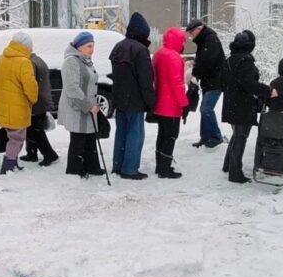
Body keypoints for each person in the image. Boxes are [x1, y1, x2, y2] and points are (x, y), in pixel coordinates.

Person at [221, 30, 273, 184]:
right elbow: (249, 84)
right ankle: (235, 172)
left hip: (231, 103)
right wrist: (268, 90)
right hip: (242, 105)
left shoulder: (230, 60)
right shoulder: (246, 61)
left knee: (237, 135)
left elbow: (224, 81)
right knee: (241, 137)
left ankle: (228, 165)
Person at [109, 12, 156, 180]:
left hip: (119, 98)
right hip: (135, 101)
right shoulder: (140, 50)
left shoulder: (118, 47)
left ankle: (118, 165)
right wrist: (151, 103)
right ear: (142, 33)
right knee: (135, 135)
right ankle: (130, 169)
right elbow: (146, 80)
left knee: (121, 133)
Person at [58, 31, 105, 178]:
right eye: (89, 46)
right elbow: (72, 88)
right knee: (78, 139)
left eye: (93, 46)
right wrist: (88, 105)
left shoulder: (86, 60)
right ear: (79, 47)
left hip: (89, 106)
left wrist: (93, 104)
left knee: (90, 137)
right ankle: (75, 169)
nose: (92, 49)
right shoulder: (71, 62)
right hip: (77, 107)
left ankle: (92, 166)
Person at [0, 32, 39, 175]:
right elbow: (30, 86)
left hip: (3, 105)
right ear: (25, 46)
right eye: (30, 46)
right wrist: (33, 99)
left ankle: (13, 162)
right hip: (17, 107)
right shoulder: (24, 62)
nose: (32, 48)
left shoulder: (1, 58)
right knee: (17, 138)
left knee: (12, 136)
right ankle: (8, 166)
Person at [152, 27, 189, 179]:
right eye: (183, 41)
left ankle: (160, 165)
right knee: (171, 136)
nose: (184, 45)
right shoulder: (174, 57)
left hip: (159, 102)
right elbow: (177, 84)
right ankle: (165, 168)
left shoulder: (158, 54)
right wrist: (184, 103)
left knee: (162, 135)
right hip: (171, 105)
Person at [186, 19, 226, 148]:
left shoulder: (210, 39)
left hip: (216, 81)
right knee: (204, 109)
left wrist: (196, 72)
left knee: (206, 109)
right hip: (209, 82)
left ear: (199, 29)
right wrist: (195, 65)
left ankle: (216, 137)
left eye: (191, 32)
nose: (191, 36)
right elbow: (204, 60)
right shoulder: (204, 40)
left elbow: (208, 61)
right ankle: (205, 137)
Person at [22, 50, 59, 167]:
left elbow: (29, 84)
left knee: (35, 131)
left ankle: (50, 155)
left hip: (36, 102)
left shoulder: (30, 63)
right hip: (41, 100)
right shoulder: (37, 60)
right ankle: (31, 153)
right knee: (31, 128)